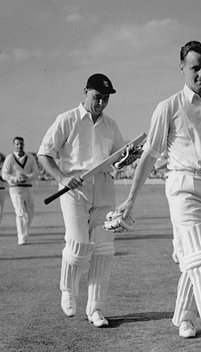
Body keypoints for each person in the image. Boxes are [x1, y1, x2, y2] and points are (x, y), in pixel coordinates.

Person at [113, 41, 201, 352]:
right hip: (184, 186)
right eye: (194, 68)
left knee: (200, 255)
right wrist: (130, 200)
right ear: (182, 69)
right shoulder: (168, 107)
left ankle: (184, 314)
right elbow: (149, 157)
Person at [37, 73, 128, 327]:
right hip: (75, 190)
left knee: (103, 250)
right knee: (78, 246)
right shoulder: (67, 120)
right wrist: (62, 177)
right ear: (85, 92)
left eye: (106, 99)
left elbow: (116, 159)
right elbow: (44, 154)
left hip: (104, 188)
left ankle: (96, 309)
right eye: (97, 97)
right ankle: (67, 289)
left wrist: (125, 160)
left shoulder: (111, 125)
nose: (101, 103)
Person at [2, 136, 39, 245]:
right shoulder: (9, 158)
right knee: (20, 213)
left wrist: (26, 177)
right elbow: (4, 174)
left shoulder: (30, 157)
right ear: (14, 145)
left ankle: (24, 231)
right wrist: (15, 178)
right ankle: (21, 237)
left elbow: (36, 173)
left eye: (21, 144)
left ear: (24, 144)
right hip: (15, 189)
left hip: (27, 187)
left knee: (30, 213)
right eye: (17, 144)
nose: (19, 146)